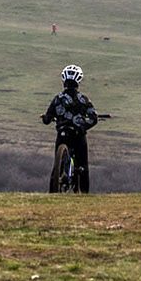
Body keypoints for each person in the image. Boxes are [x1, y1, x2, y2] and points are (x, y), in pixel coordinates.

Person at [41, 64, 106, 193]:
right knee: (83, 165)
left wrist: (45, 118)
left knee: (56, 165)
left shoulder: (57, 99)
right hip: (78, 135)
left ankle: (53, 190)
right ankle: (84, 193)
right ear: (79, 81)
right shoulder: (84, 99)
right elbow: (94, 118)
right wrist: (84, 127)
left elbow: (47, 119)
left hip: (62, 133)